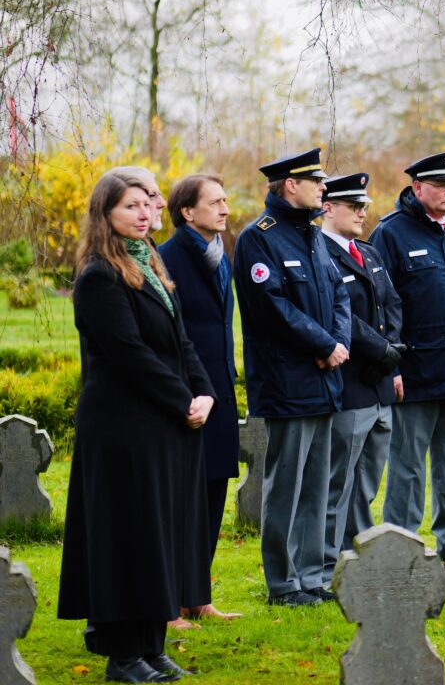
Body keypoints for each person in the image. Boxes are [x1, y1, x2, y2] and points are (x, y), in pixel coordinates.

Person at [58, 173, 214, 682]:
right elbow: (129, 355)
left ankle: (152, 646)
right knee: (128, 537)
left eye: (148, 205)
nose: (145, 214)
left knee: (160, 535)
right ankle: (124, 655)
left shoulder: (151, 264)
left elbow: (180, 340)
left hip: (163, 424)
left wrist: (205, 391)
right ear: (105, 215)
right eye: (131, 207)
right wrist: (182, 399)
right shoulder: (99, 275)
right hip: (123, 429)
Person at [233, 148, 352, 607]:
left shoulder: (315, 237)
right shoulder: (258, 239)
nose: (324, 188)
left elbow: (340, 296)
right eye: (316, 181)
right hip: (287, 382)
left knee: (318, 484)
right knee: (286, 486)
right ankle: (282, 583)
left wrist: (336, 345)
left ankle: (310, 577)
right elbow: (271, 308)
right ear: (290, 185)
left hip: (325, 380)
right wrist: (323, 346)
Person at [370, 152, 445, 566]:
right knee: (407, 467)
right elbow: (380, 307)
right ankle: (401, 544)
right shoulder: (391, 233)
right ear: (417, 188)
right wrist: (394, 367)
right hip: (416, 372)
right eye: (440, 184)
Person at [159, 174, 243, 619]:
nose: (226, 209)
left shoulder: (219, 256)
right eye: (216, 202)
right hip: (189, 398)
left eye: (226, 200)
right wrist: (187, 393)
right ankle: (169, 603)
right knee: (181, 502)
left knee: (212, 496)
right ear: (188, 212)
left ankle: (197, 597)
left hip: (220, 392)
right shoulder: (168, 259)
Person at [319, 172, 404, 583]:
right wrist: (379, 352)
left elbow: (392, 307)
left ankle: (357, 549)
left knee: (368, 477)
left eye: (365, 206)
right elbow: (341, 319)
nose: (363, 213)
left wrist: (393, 362)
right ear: (328, 207)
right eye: (354, 206)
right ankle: (329, 559)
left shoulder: (367, 253)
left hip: (380, 381)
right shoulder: (320, 252)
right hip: (349, 381)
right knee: (339, 479)